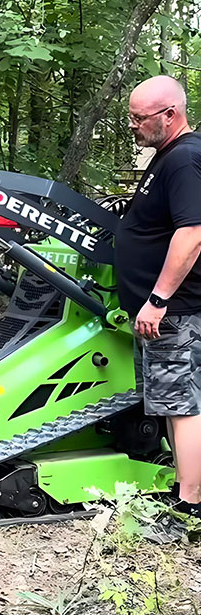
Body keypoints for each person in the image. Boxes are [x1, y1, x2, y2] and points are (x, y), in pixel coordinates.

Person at [114, 75, 201, 516]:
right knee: (171, 400)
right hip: (163, 309)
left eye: (139, 117)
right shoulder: (166, 157)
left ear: (170, 115)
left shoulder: (185, 159)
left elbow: (192, 234)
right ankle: (185, 485)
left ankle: (190, 504)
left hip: (175, 311)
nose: (132, 125)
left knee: (182, 403)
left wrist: (159, 299)